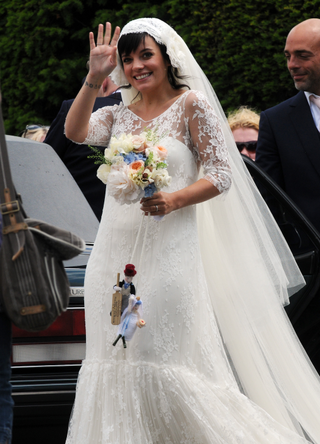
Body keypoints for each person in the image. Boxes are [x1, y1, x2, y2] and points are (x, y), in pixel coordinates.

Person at [64, 18, 320, 443]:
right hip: (114, 257)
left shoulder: (191, 104)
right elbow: (75, 133)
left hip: (170, 253)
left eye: (146, 55)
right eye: (128, 60)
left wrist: (174, 199)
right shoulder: (118, 115)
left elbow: (222, 173)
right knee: (113, 357)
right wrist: (94, 77)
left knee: (158, 356)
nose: (136, 66)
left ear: (167, 56)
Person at [256, 18, 320, 233]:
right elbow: (268, 201)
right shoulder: (275, 121)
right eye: (288, 56)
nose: (291, 64)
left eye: (302, 55)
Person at [44, 75, 121, 220]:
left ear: (103, 82)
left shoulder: (72, 110)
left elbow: (45, 163)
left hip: (72, 220)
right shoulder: (154, 113)